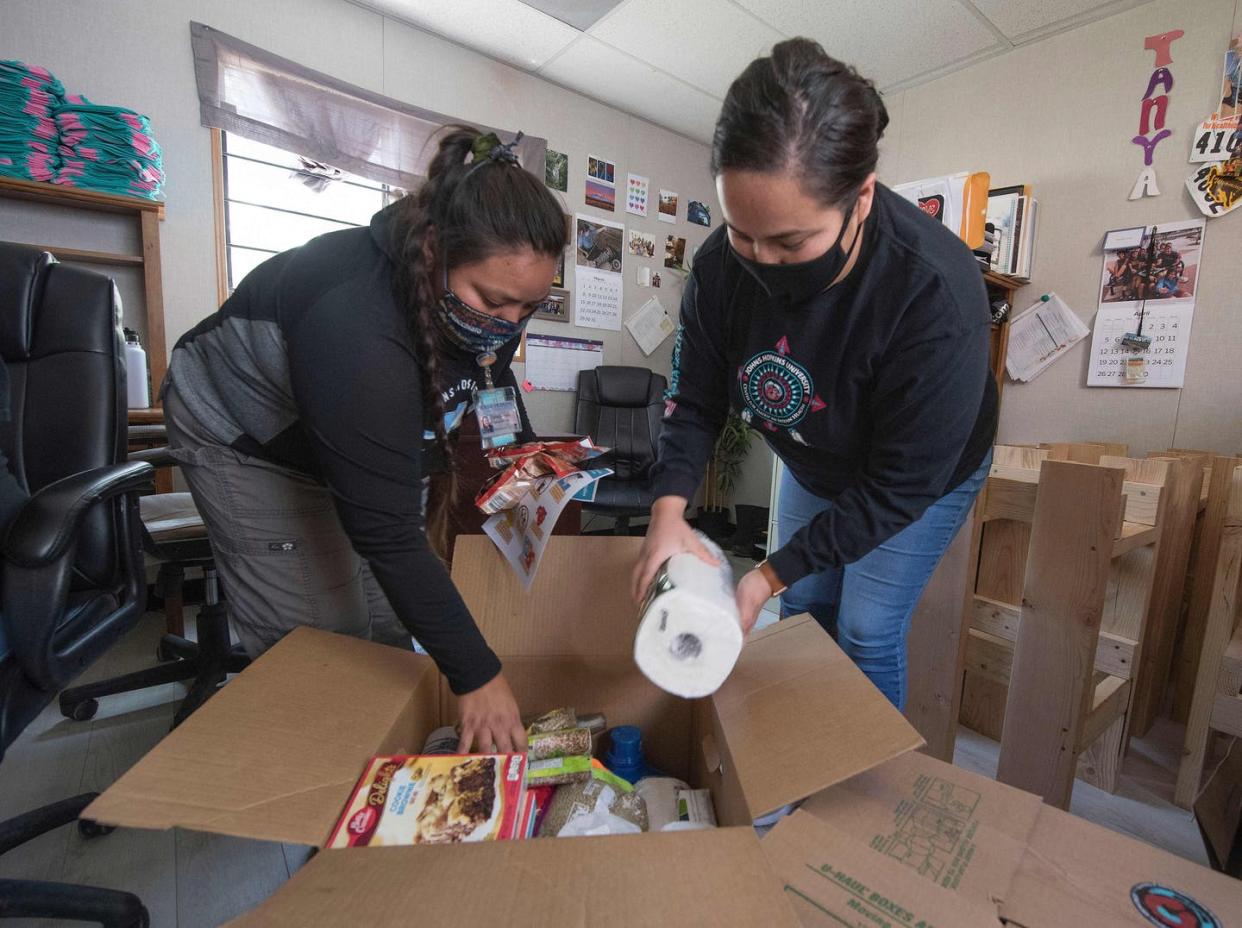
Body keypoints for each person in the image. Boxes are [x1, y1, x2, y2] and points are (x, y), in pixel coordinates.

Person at [163, 128, 568, 752]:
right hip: (246, 437)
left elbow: (487, 380)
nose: (509, 327)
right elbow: (384, 533)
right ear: (434, 252)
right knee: (330, 641)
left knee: (385, 619)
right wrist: (479, 674)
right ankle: (327, 779)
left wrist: (531, 467)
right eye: (495, 302)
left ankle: (383, 757)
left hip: (357, 430)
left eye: (529, 308)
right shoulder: (353, 320)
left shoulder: (488, 309)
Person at [632, 39, 998, 709]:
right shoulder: (718, 270)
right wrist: (667, 509)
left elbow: (895, 488)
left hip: (915, 476)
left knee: (862, 627)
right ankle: (805, 748)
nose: (761, 262)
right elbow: (696, 399)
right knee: (804, 605)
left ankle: (857, 797)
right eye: (744, 233)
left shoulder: (934, 293)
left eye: (791, 242)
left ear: (860, 197)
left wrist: (761, 576)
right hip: (813, 455)